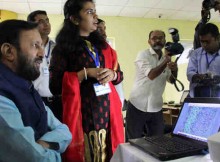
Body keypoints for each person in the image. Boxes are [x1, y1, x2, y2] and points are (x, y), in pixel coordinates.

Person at [49, 0, 124, 161]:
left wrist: (112, 74)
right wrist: (85, 73)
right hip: (82, 117)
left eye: (95, 11)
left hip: (107, 114)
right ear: (75, 19)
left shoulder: (104, 47)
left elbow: (119, 75)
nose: (96, 16)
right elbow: (54, 86)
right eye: (89, 12)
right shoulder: (63, 49)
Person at [0, 19, 72, 162]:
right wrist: (55, 152)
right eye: (35, 46)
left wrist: (42, 144)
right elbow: (33, 158)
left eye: (42, 46)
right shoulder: (2, 96)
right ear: (9, 51)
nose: (42, 53)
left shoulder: (26, 87)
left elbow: (64, 131)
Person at [126, 30, 178, 139]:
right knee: (133, 141)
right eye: (154, 38)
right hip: (137, 105)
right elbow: (151, 75)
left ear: (164, 41)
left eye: (161, 38)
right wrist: (166, 62)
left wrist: (174, 69)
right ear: (149, 41)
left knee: (157, 141)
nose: (158, 40)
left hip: (156, 107)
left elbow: (172, 81)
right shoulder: (143, 54)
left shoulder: (166, 59)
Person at [27, 10, 62, 121]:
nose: (46, 24)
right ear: (32, 25)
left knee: (59, 134)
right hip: (36, 100)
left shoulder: (57, 48)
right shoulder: (28, 48)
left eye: (47, 20)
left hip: (58, 101)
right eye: (41, 21)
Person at [97, 18, 125, 107]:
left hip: (111, 100)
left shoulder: (111, 52)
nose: (104, 33)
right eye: (99, 29)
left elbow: (120, 75)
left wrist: (114, 75)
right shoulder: (83, 50)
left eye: (104, 29)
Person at [187, 23, 220, 97]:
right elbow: (190, 72)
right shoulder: (196, 53)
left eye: (207, 42)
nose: (204, 45)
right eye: (202, 42)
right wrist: (196, 77)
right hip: (199, 96)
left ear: (218, 38)